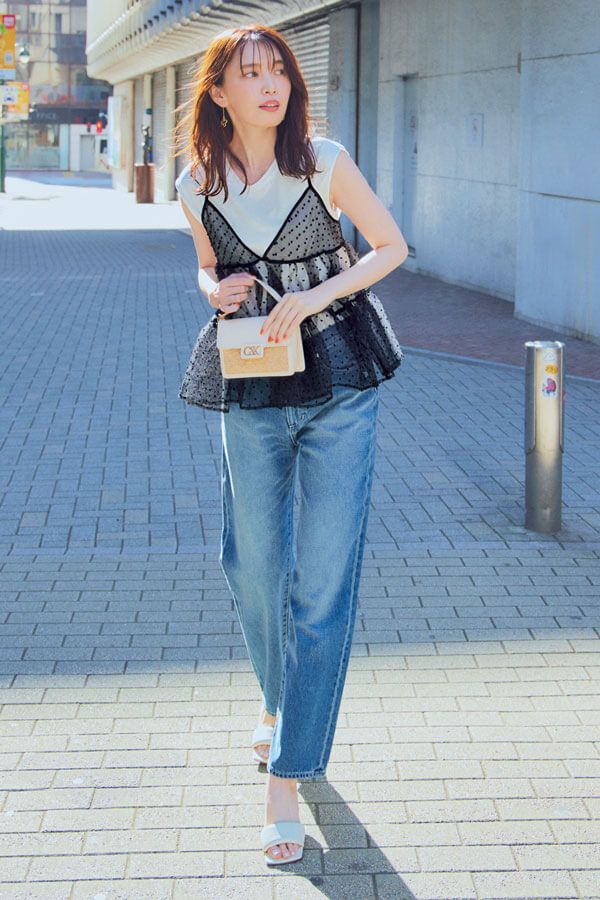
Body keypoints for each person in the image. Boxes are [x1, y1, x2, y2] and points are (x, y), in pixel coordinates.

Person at [173, 23, 408, 866]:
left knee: (321, 584)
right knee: (251, 565)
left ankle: (288, 772)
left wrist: (315, 296)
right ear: (220, 92)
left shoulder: (324, 161)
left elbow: (392, 247)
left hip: (341, 379)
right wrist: (215, 286)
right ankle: (278, 701)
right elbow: (206, 267)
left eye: (278, 70)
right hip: (252, 381)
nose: (270, 85)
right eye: (251, 73)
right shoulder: (196, 182)